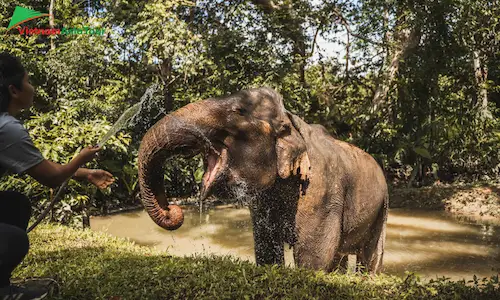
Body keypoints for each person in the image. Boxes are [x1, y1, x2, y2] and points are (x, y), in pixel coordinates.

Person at [0, 52, 115, 299]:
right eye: (29, 81)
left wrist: (84, 173)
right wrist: (81, 157)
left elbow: (42, 166)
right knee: (14, 240)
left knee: (14, 204)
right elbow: (51, 178)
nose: (33, 87)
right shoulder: (7, 128)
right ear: (14, 90)